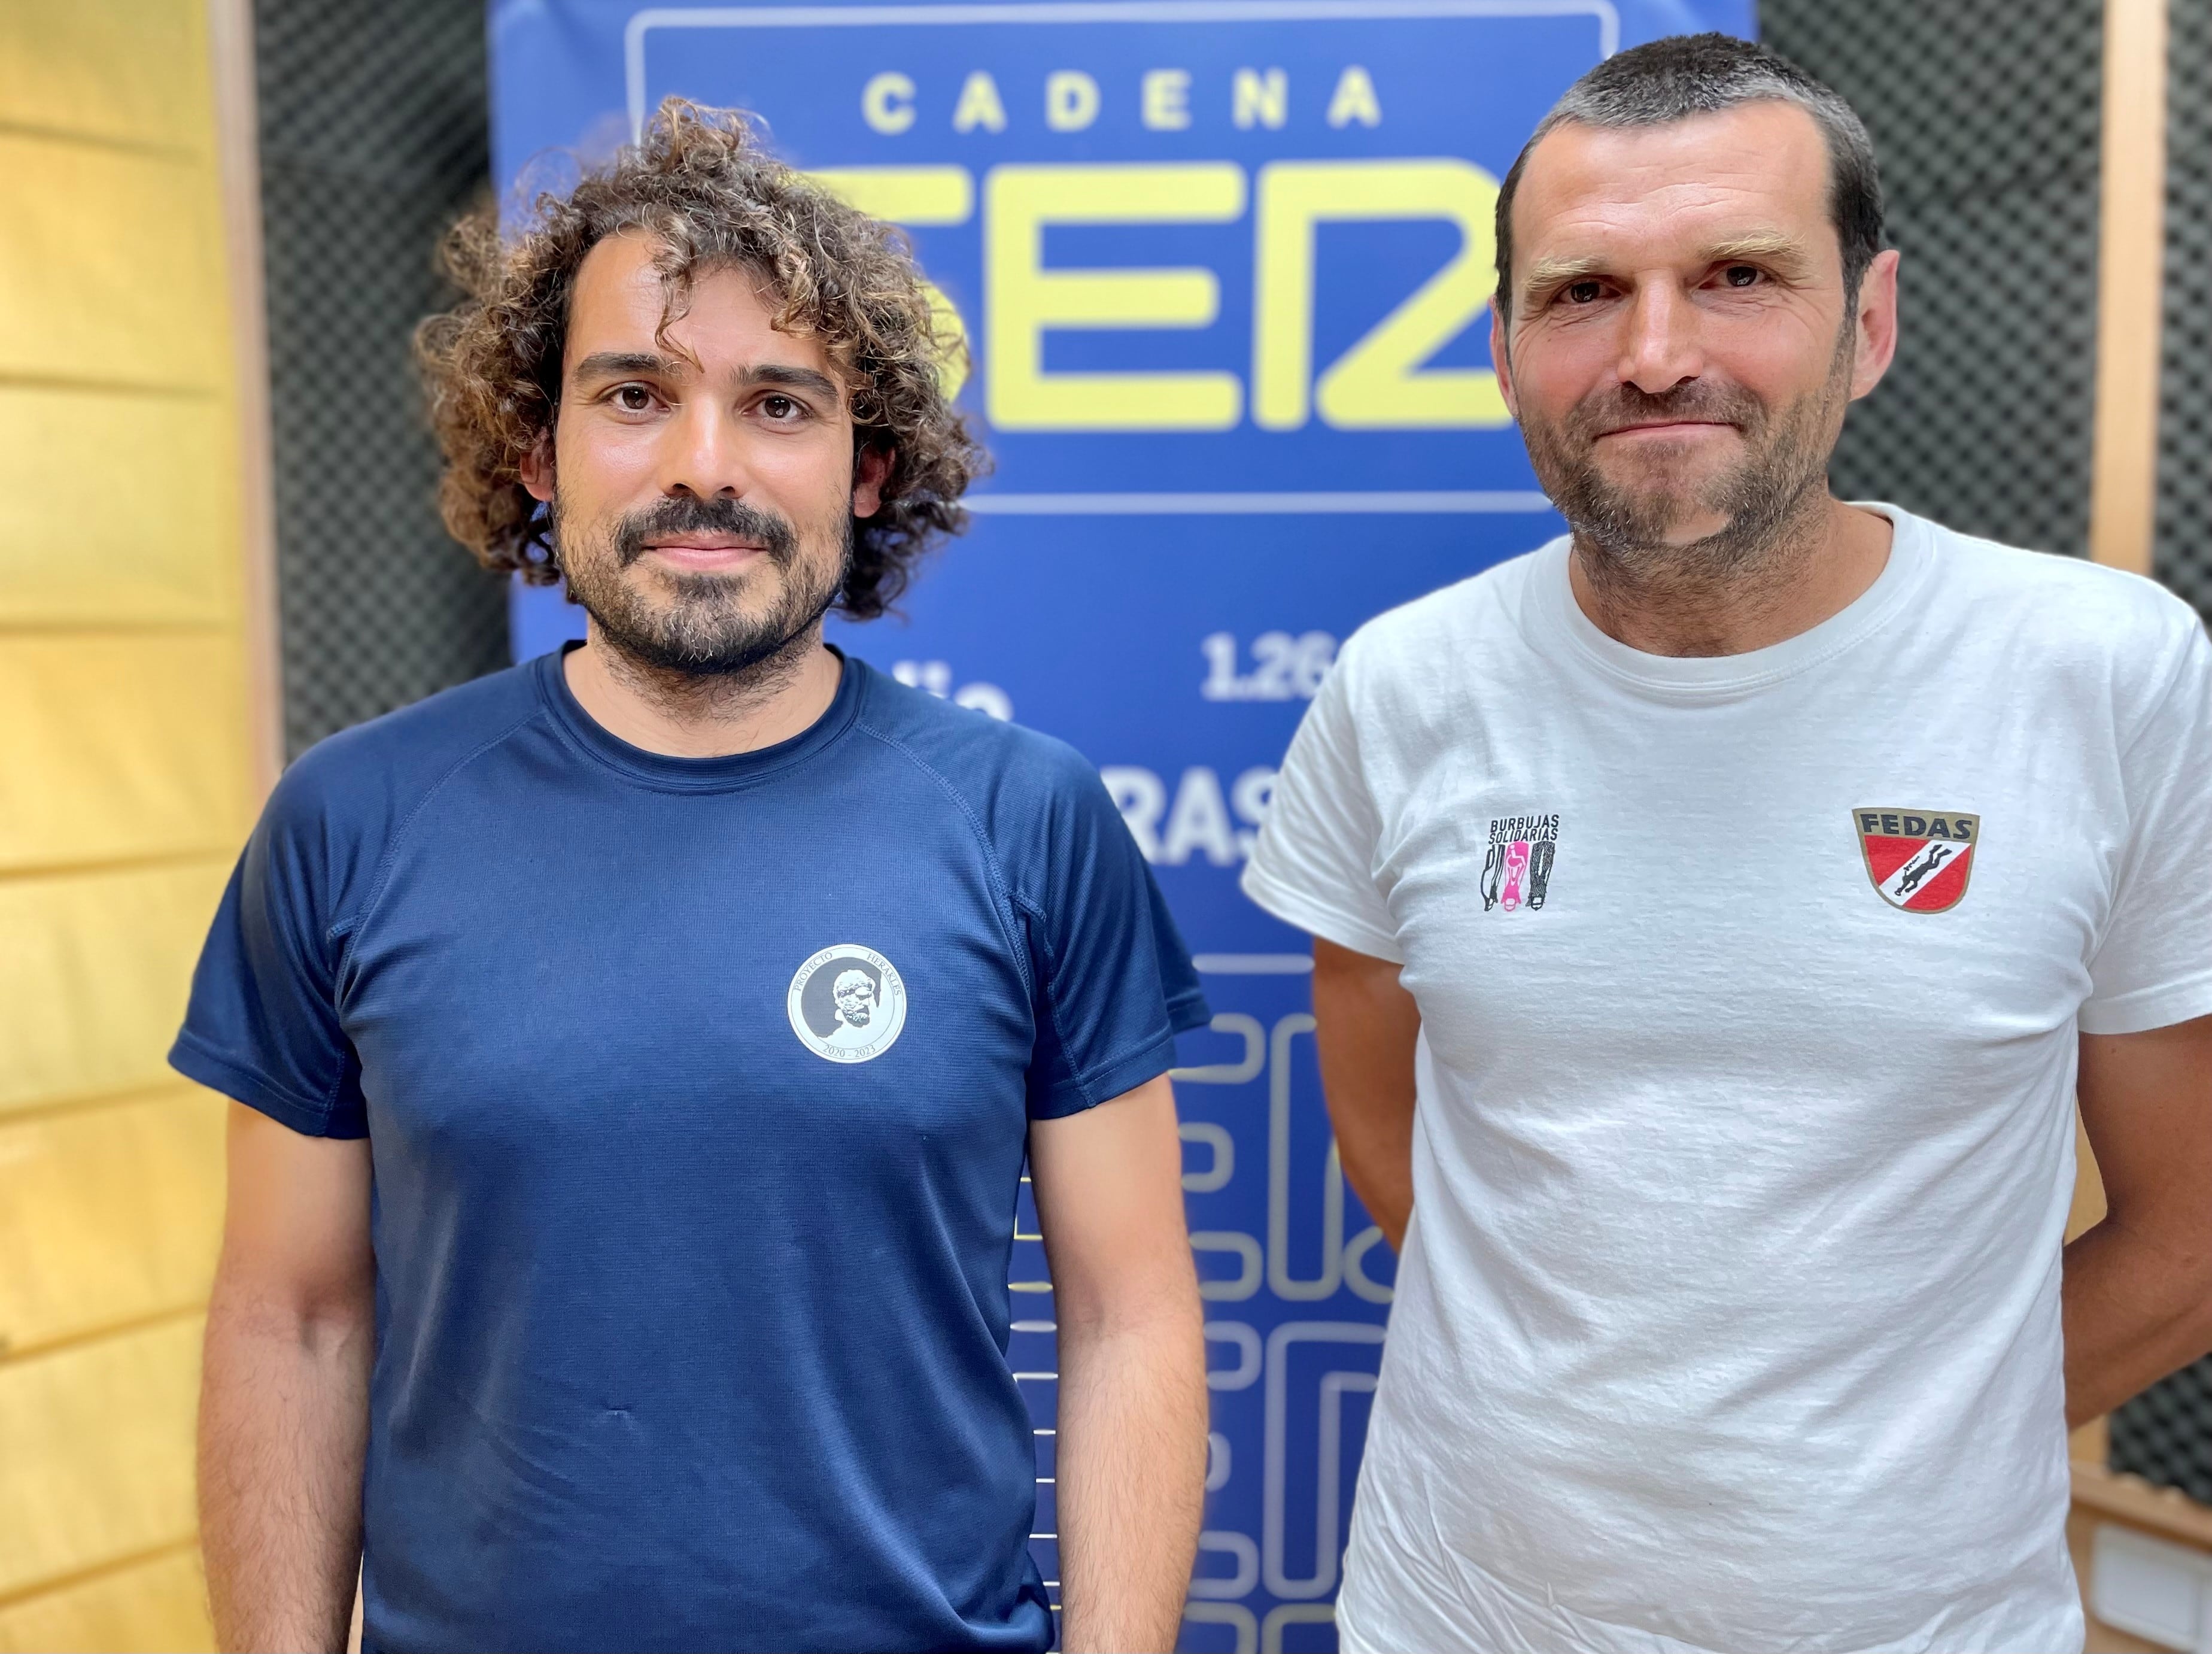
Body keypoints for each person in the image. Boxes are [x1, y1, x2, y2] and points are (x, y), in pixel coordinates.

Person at [178, 101, 1210, 1654]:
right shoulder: (348, 822)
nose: (705, 465)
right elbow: (290, 1315)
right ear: (539, 447)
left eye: (780, 404)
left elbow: (1131, 1313)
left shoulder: (1026, 822)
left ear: (869, 466)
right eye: (637, 394)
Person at [1244, 34, 2212, 1654]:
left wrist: (1890, 1465)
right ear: (1500, 346)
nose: (1655, 352)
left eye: (1739, 273)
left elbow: (2188, 1235)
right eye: (1582, 293)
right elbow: (1393, 1139)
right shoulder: (1399, 690)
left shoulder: (2106, 673)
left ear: (1872, 321)